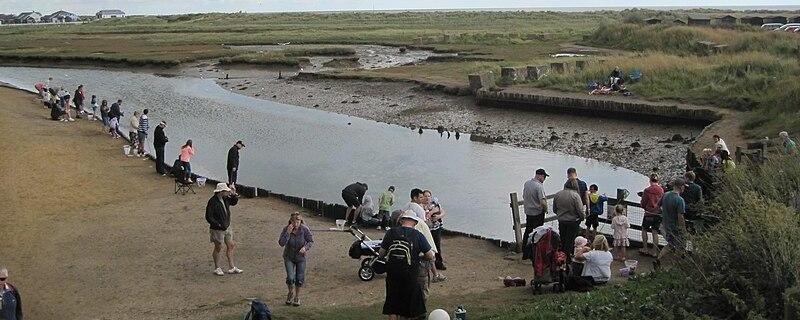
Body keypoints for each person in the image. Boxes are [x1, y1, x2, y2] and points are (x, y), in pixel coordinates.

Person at [379, 211, 435, 320]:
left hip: (392, 274)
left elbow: (381, 253)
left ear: (401, 221)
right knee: (408, 306)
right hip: (411, 274)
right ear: (415, 222)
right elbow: (430, 255)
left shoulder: (391, 233)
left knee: (393, 306)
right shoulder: (418, 235)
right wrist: (419, 256)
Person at [205, 183, 242, 276]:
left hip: (227, 227)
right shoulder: (212, 202)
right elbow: (208, 216)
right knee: (218, 247)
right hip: (217, 229)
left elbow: (234, 202)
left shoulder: (226, 199)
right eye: (226, 191)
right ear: (221, 192)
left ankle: (232, 267)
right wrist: (217, 224)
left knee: (231, 245)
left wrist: (234, 194)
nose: (228, 192)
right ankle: (217, 267)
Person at [278, 212, 313, 307]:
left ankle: (297, 296)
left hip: (300, 258)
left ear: (300, 221)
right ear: (291, 222)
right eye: (294, 222)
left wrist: (305, 248)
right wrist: (288, 233)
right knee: (290, 277)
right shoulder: (286, 229)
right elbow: (281, 243)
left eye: (298, 222)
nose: (296, 224)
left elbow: (310, 241)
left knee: (299, 278)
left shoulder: (305, 229)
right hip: (289, 257)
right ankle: (290, 293)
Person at [657, 178, 688, 263]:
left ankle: (658, 259)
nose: (684, 189)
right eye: (684, 187)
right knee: (681, 245)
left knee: (670, 244)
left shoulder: (666, 194)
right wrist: (683, 229)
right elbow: (680, 217)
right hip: (675, 227)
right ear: (681, 187)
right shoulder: (680, 200)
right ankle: (677, 264)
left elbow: (658, 205)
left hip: (666, 225)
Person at [553, 179, 585, 260]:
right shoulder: (575, 195)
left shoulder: (558, 194)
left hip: (561, 220)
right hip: (573, 221)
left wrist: (560, 215)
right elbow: (580, 210)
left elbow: (554, 209)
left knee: (563, 239)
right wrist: (582, 217)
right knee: (570, 240)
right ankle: (567, 258)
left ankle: (561, 257)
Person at [522, 168, 548, 255]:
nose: (544, 179)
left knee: (528, 230)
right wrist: (546, 209)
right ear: (540, 176)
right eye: (544, 177)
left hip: (528, 211)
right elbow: (543, 201)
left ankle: (525, 250)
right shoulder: (539, 186)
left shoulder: (527, 183)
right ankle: (535, 252)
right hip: (537, 213)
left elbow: (524, 195)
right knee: (538, 232)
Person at [423, 190, 447, 271]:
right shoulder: (421, 206)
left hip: (436, 228)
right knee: (427, 246)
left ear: (431, 197)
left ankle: (439, 263)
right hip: (426, 229)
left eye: (428, 196)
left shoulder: (434, 204)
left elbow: (443, 212)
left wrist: (438, 216)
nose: (427, 198)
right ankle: (427, 264)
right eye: (425, 196)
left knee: (437, 245)